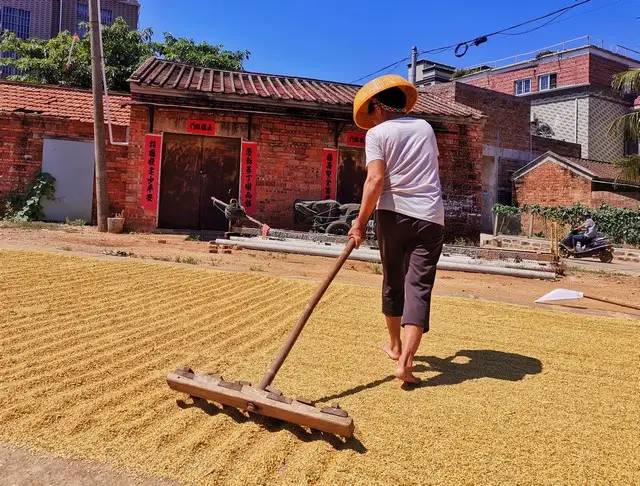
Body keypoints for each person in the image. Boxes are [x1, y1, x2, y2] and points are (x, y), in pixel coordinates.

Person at [348, 75, 444, 384]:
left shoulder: (376, 135)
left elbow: (375, 181)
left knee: (393, 281)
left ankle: (394, 344)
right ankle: (405, 361)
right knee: (419, 287)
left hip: (392, 215)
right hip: (430, 216)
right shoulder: (426, 128)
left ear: (376, 106)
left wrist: (359, 224)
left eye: (371, 112)